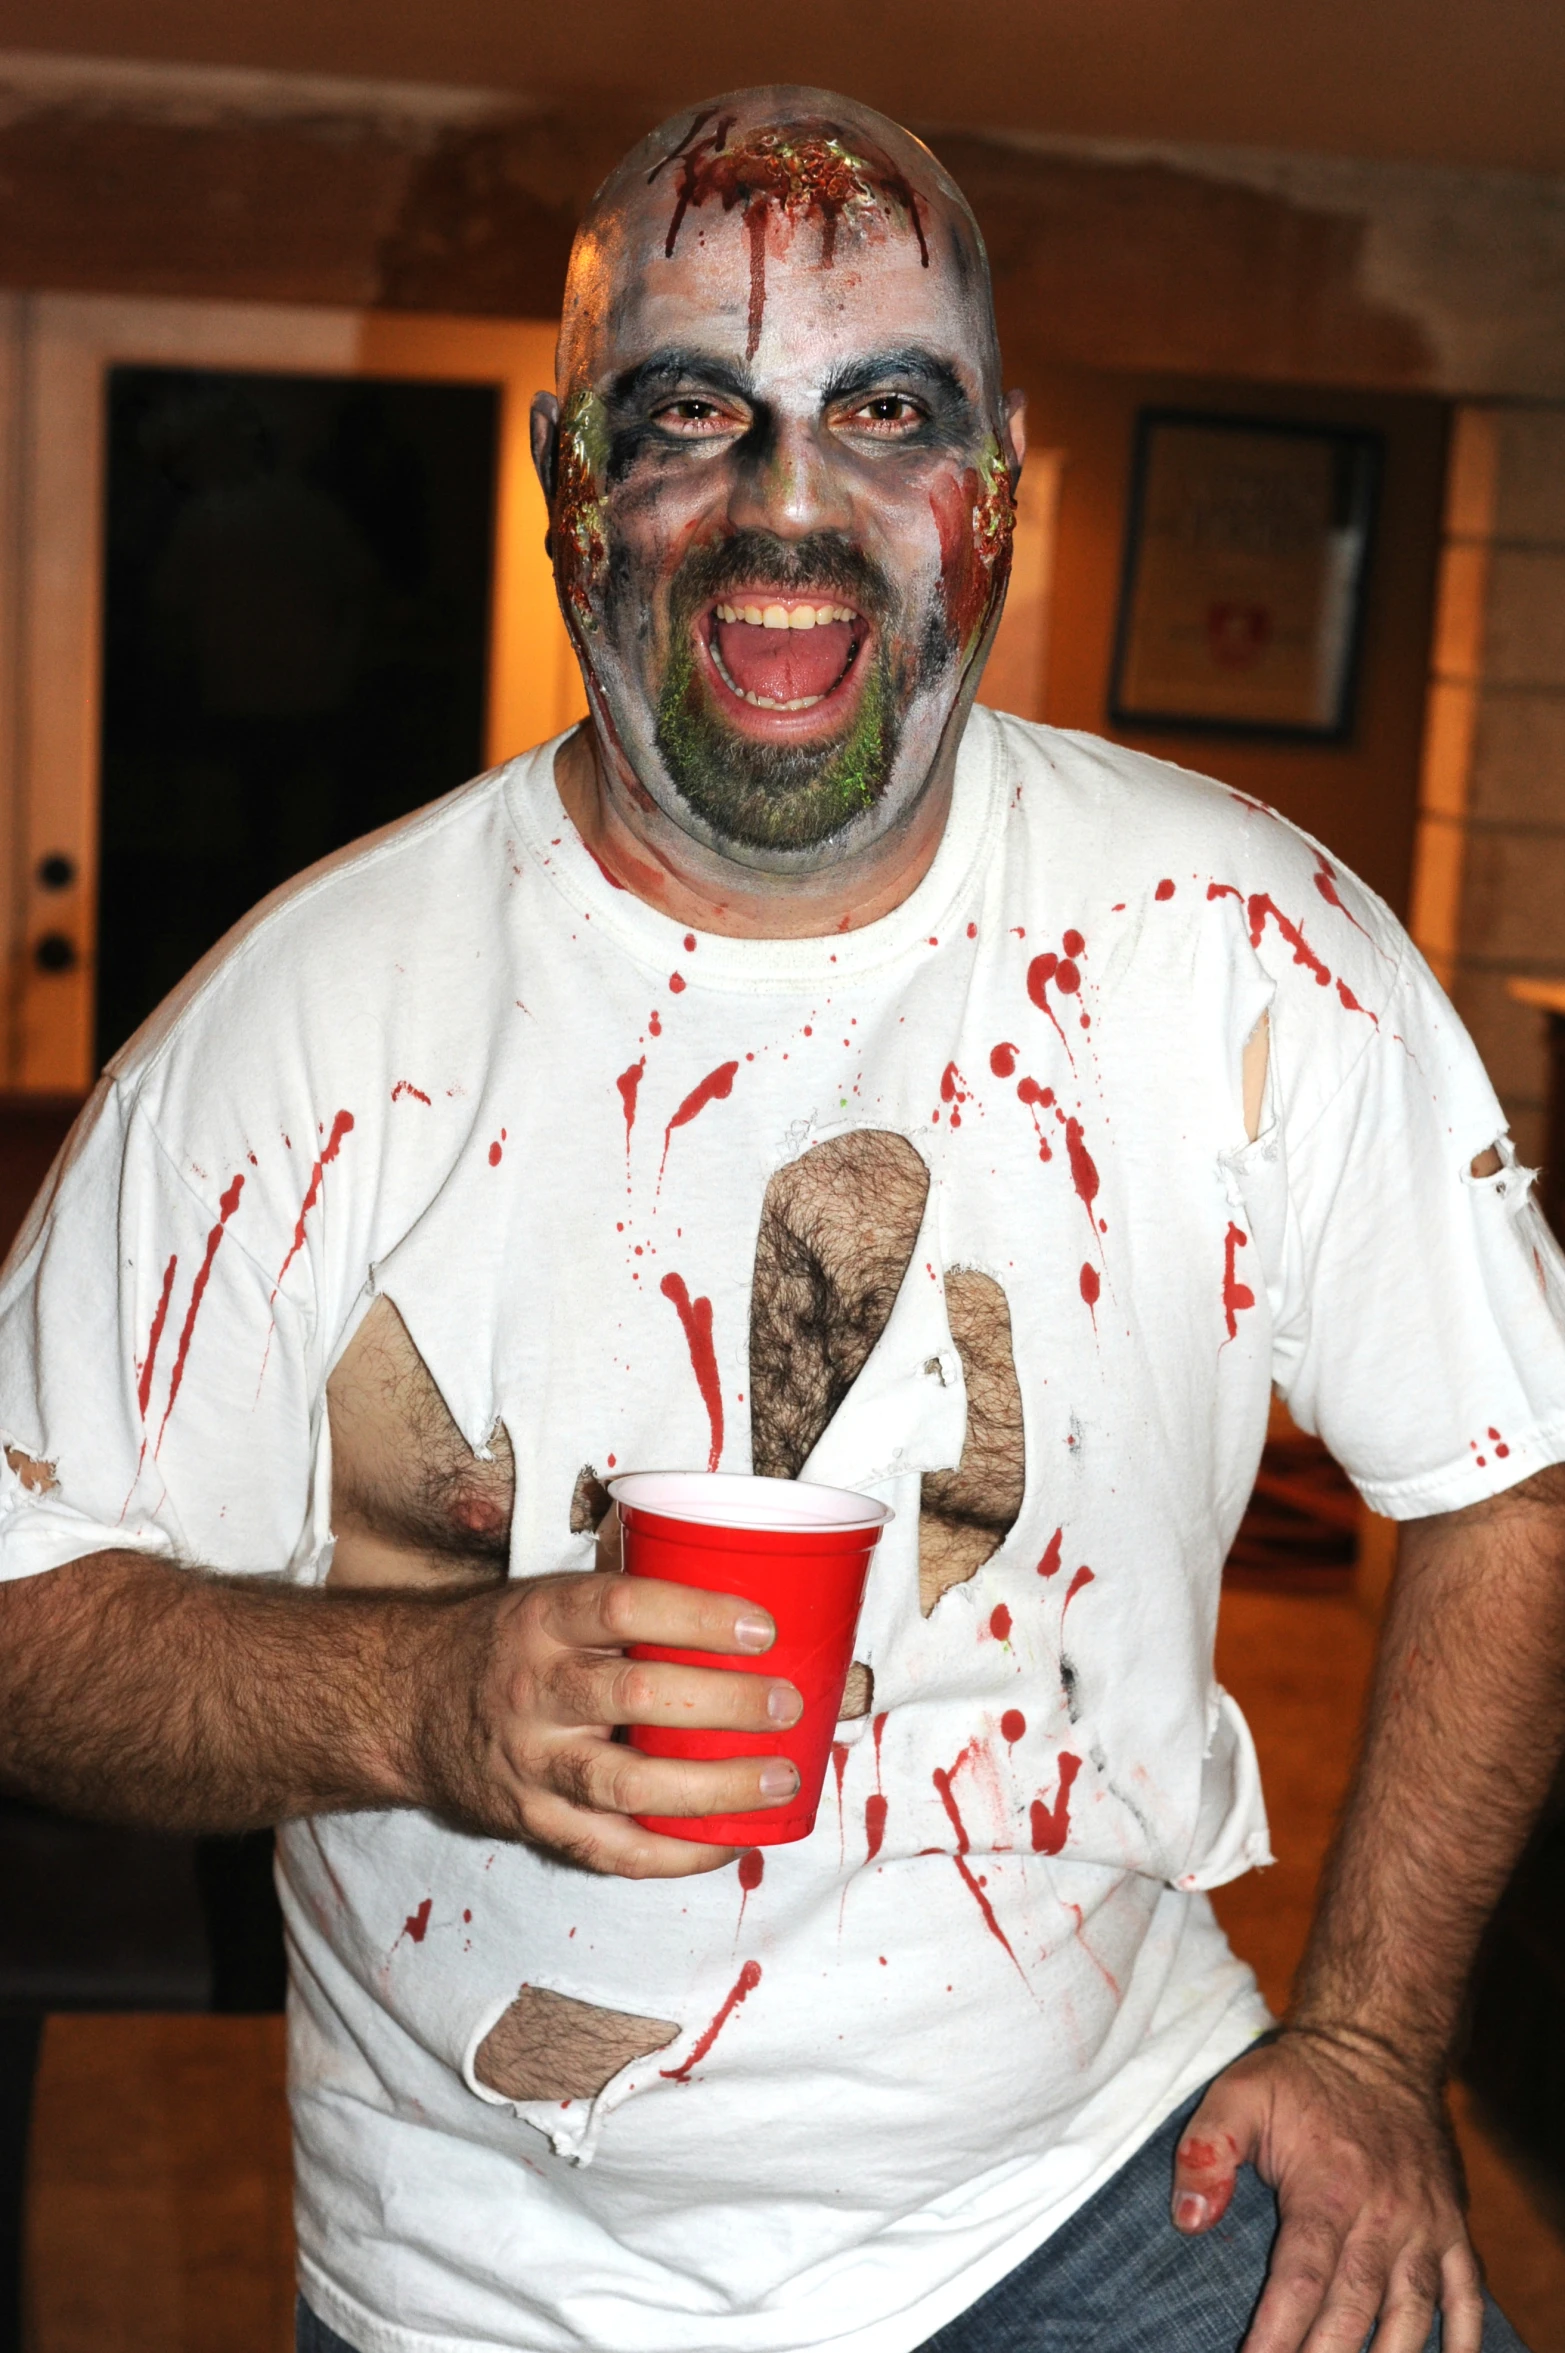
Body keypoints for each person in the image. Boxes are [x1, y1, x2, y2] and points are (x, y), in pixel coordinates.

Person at [2, 83, 1563, 2353]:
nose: (786, 510)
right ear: (568, 488)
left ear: (995, 485)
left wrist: (1358, 2043)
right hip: (498, 2281)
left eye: (885, 410)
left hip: (1100, 2182)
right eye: (687, 415)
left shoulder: (1244, 945)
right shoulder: (301, 1030)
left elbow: (1508, 1478)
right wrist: (423, 1704)